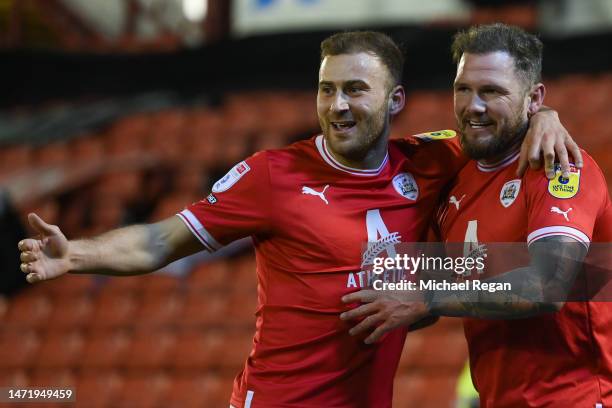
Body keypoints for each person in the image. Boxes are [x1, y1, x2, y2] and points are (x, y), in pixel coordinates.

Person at [18, 31, 580, 408]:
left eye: (356, 90)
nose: (338, 105)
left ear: (395, 100)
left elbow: (494, 128)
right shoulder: (273, 176)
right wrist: (78, 255)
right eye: (327, 89)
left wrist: (544, 116)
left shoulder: (433, 160)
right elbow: (160, 242)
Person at [341, 24, 612, 407]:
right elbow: (423, 295)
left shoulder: (561, 168)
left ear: (534, 98)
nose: (473, 106)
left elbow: (547, 286)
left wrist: (428, 298)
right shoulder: (453, 176)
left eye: (492, 92)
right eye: (463, 89)